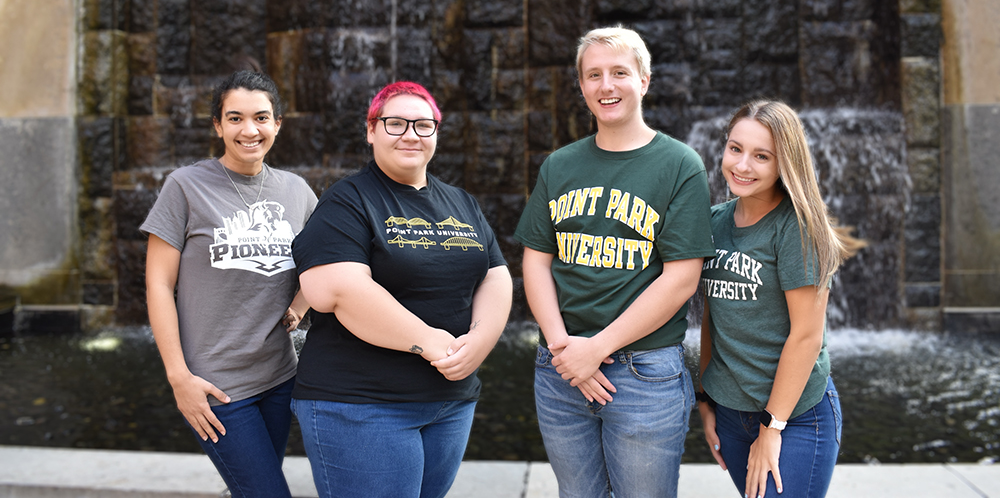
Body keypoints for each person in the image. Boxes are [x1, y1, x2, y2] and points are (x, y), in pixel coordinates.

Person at [514, 26, 716, 497]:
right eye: (594, 75)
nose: (607, 86)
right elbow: (536, 262)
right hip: (559, 369)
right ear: (582, 86)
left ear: (644, 80)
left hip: (643, 374)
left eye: (619, 73)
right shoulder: (559, 166)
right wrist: (566, 350)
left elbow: (682, 279)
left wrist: (595, 349)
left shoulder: (679, 165)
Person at [290, 81, 513, 498]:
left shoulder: (460, 201)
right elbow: (334, 288)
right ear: (371, 130)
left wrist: (481, 341)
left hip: (451, 402)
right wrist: (431, 343)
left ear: (436, 134)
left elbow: (495, 274)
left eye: (423, 125)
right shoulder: (348, 200)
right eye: (395, 123)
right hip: (364, 405)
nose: (411, 134)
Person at [142, 69, 318, 497]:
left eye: (261, 117)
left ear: (278, 123)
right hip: (215, 387)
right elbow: (159, 285)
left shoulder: (297, 191)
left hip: (279, 377)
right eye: (235, 118)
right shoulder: (184, 186)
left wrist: (299, 305)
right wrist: (178, 378)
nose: (249, 129)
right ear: (218, 125)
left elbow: (326, 268)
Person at [697, 100, 865, 498]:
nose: (742, 165)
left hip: (796, 417)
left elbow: (806, 336)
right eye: (735, 149)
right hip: (730, 414)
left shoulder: (796, 229)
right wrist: (705, 399)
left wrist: (772, 428)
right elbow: (712, 317)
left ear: (783, 164)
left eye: (761, 156)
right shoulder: (714, 222)